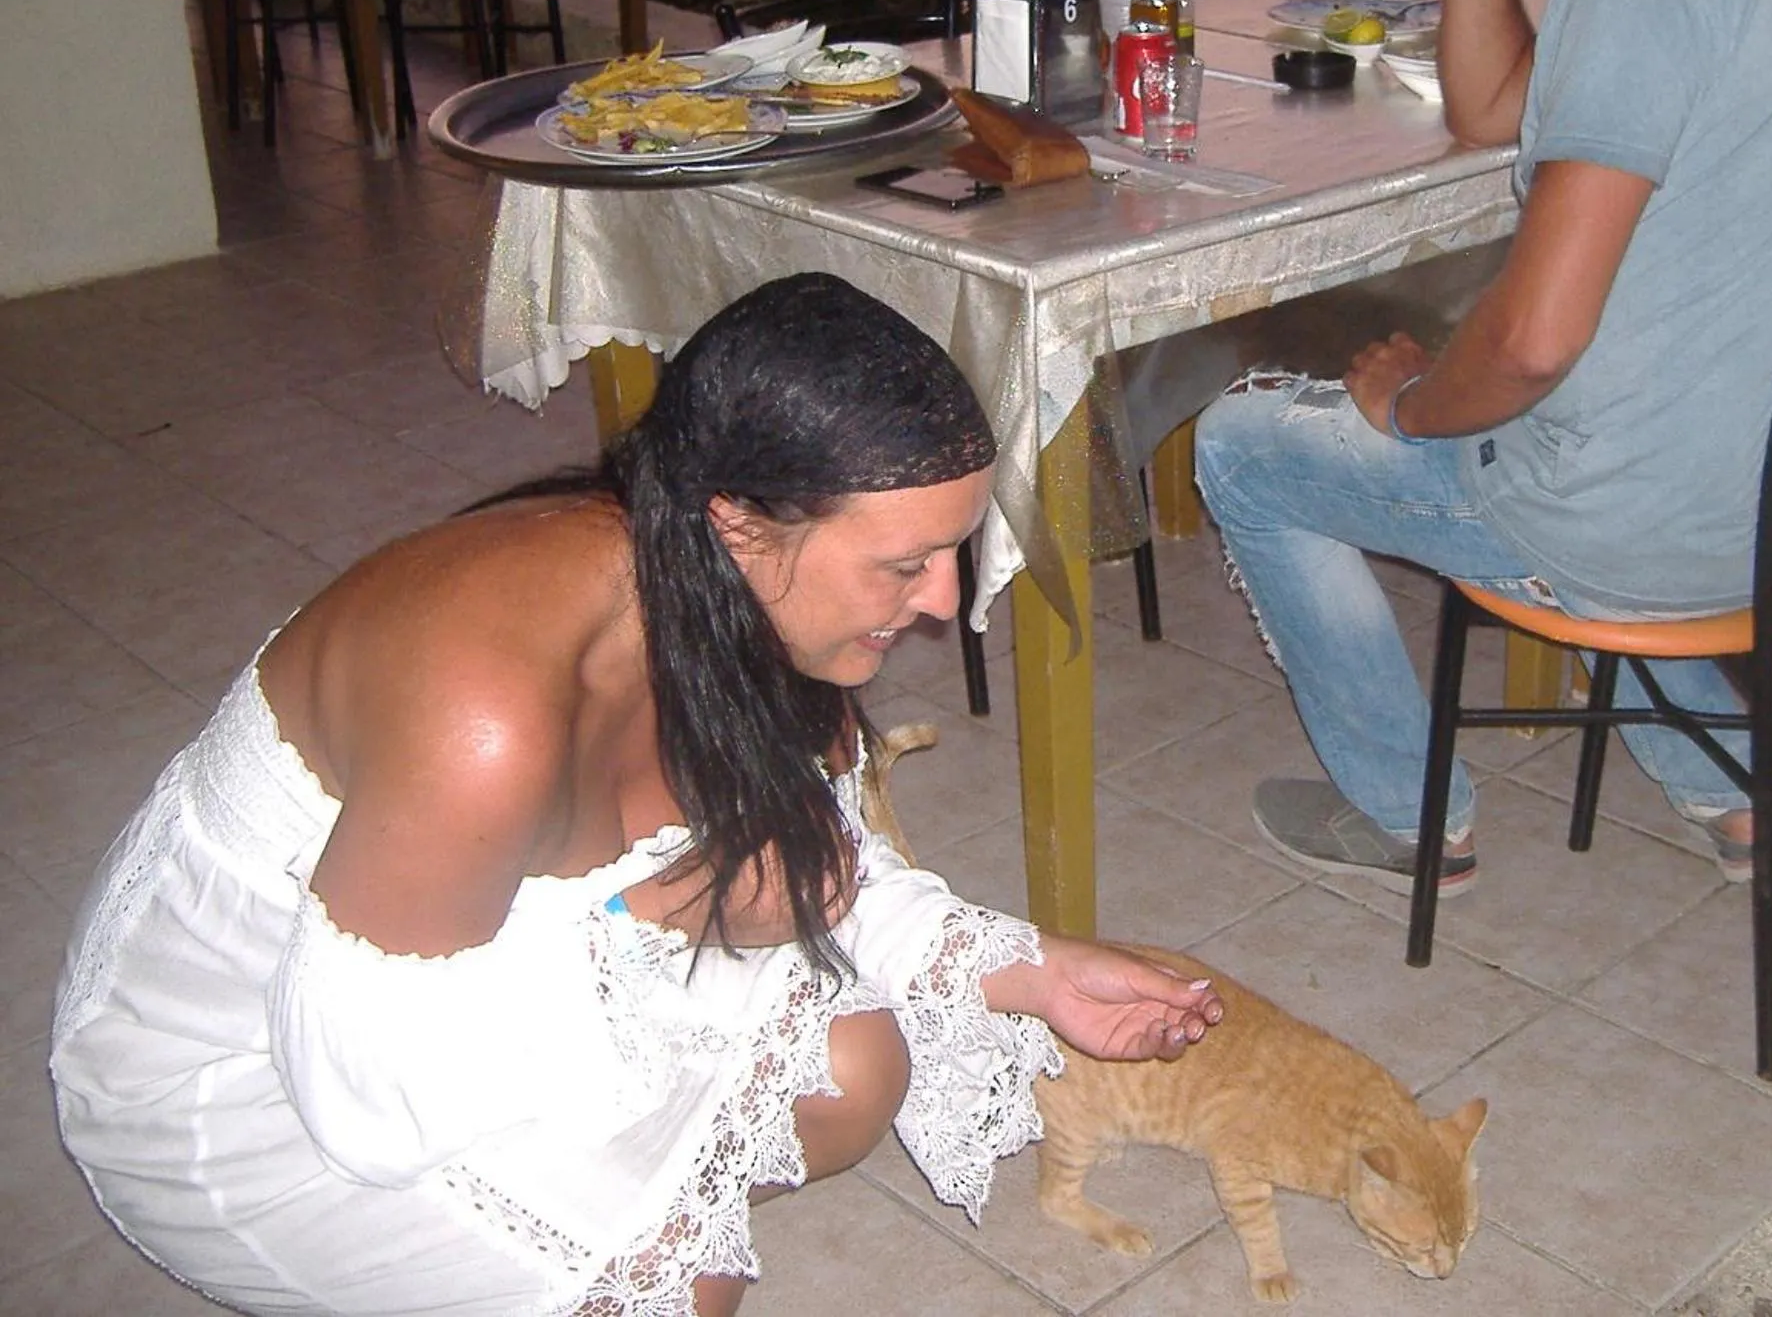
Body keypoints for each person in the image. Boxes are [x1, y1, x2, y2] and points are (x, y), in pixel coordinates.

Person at [50, 273, 1221, 1317]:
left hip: (521, 965)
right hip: (247, 1082)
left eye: (953, 551)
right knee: (669, 1279)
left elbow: (813, 867)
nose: (944, 602)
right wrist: (666, 910)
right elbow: (366, 1109)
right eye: (906, 563)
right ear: (740, 527)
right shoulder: (485, 713)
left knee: (856, 1065)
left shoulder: (729, 595)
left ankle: (605, 1189)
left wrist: (1033, 968)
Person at [1195, 0, 1772, 896]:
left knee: (1243, 445)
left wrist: (1412, 407)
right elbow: (1487, 110)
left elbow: (1531, 344)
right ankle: (1730, 790)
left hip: (1657, 522)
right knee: (1572, 423)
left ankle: (1410, 819)